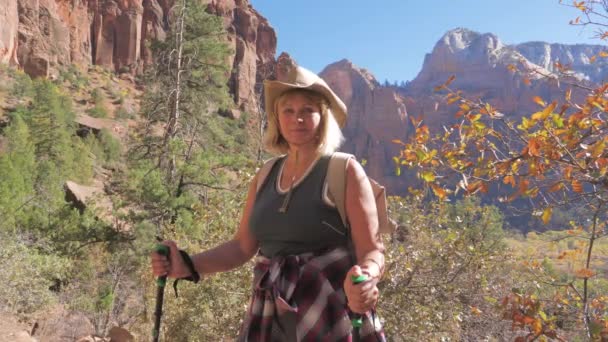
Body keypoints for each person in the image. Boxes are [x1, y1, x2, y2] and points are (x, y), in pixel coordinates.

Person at [151, 64, 386, 341]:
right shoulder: (265, 175)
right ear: (277, 117)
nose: (297, 118)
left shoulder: (343, 170)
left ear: (322, 117)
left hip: (331, 310)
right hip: (269, 314)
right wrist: (188, 265)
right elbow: (241, 247)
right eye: (288, 110)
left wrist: (367, 279)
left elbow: (372, 249)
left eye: (307, 110)